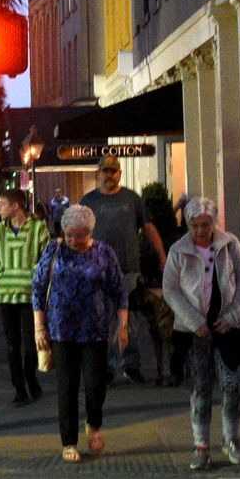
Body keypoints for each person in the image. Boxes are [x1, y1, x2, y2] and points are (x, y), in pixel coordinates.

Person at [32, 204, 130, 463]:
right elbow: (38, 288)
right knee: (67, 387)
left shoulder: (103, 253)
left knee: (96, 384)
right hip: (61, 329)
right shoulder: (54, 250)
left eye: (80, 234)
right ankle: (69, 442)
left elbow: (119, 290)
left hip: (95, 329)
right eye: (69, 234)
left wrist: (123, 324)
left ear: (90, 232)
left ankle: (94, 423)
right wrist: (39, 327)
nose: (74, 240)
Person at [163, 197, 240, 471]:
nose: (200, 231)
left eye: (205, 224)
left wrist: (234, 315)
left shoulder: (229, 244)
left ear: (214, 223)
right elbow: (171, 289)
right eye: (194, 225)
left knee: (233, 384)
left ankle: (231, 438)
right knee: (200, 387)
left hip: (228, 326)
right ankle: (201, 444)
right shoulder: (179, 250)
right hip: (195, 331)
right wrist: (193, 321)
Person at [79, 156, 163, 382]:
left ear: (120, 174)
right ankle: (105, 367)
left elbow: (148, 228)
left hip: (128, 271)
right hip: (96, 271)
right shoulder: (88, 201)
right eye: (105, 171)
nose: (109, 175)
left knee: (129, 322)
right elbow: (76, 233)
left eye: (113, 171)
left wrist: (162, 257)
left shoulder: (131, 199)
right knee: (101, 322)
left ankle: (131, 365)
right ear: (99, 173)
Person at [0, 188, 49, 406]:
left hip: (29, 296)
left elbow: (46, 258)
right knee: (12, 345)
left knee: (31, 344)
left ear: (15, 206)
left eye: (2, 204)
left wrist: (38, 282)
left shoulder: (38, 229)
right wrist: (0, 277)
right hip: (6, 295)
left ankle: (30, 378)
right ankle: (19, 388)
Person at [156, 192, 194, 386]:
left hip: (177, 286)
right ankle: (179, 371)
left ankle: (178, 372)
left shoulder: (171, 237)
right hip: (176, 286)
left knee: (179, 333)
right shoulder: (177, 237)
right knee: (179, 333)